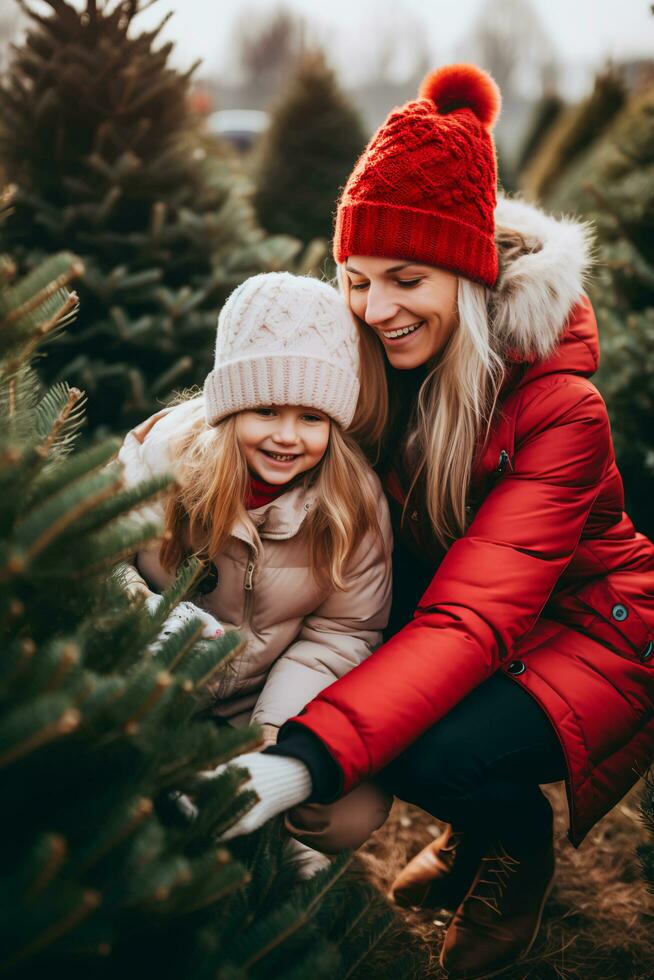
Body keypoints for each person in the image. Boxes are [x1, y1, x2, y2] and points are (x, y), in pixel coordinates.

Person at [210, 65, 654, 978]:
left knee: (427, 747)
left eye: (406, 277)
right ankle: (475, 819)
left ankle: (512, 844)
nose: (375, 310)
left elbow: (473, 619)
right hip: (469, 613)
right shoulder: (378, 363)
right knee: (391, 698)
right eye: (356, 279)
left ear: (468, 270)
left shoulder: (561, 409)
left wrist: (301, 759)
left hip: (593, 629)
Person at [117, 272, 393, 874]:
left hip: (256, 704)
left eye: (312, 417)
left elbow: (341, 635)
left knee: (351, 809)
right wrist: (151, 621)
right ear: (231, 406)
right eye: (265, 409)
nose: (287, 437)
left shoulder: (354, 503)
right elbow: (99, 558)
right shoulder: (165, 457)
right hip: (151, 685)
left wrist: (272, 737)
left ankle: (261, 830)